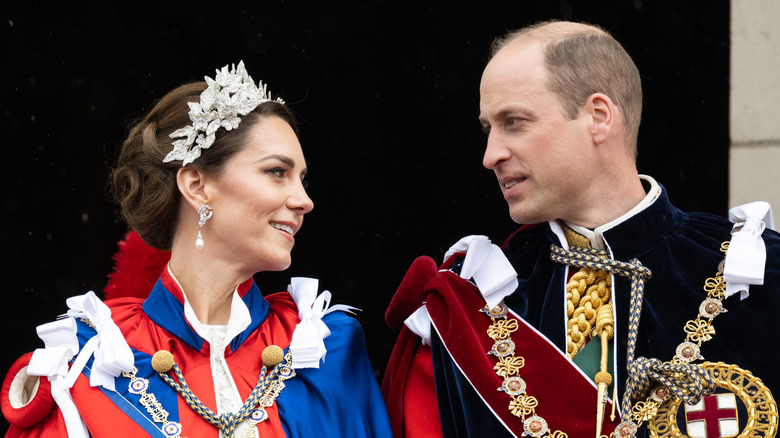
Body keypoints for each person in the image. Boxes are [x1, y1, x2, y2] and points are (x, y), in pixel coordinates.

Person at [381, 20, 780, 438]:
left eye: (514, 121)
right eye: (488, 129)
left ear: (598, 117)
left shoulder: (760, 274)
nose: (490, 154)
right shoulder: (463, 304)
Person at [1, 61, 392, 438]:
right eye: (277, 172)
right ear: (197, 185)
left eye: (302, 180)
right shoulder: (90, 363)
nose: (304, 200)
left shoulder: (324, 347)